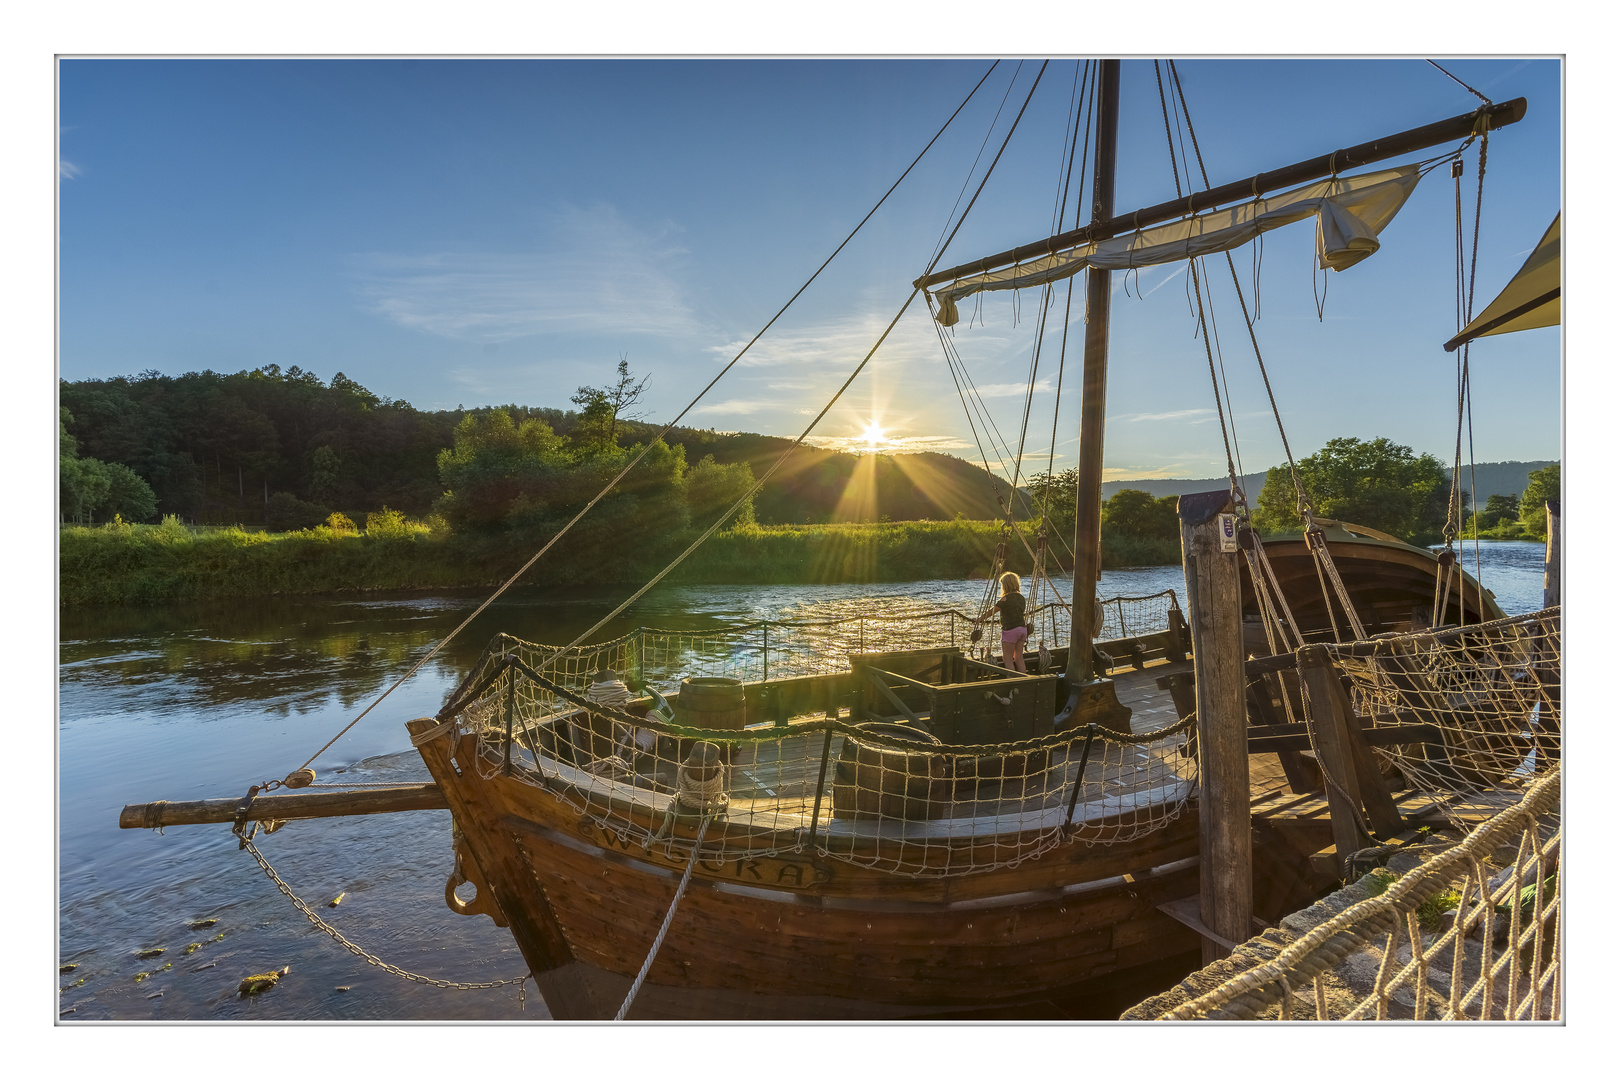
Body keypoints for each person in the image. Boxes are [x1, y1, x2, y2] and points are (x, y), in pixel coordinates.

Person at [978, 571, 1029, 673]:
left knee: (1007, 658)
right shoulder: (1021, 598)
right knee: (1019, 657)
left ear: (1005, 585)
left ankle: (1012, 680)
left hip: (1011, 631)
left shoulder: (1005, 599)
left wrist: (980, 619)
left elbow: (992, 611)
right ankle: (1024, 680)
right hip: (1022, 629)